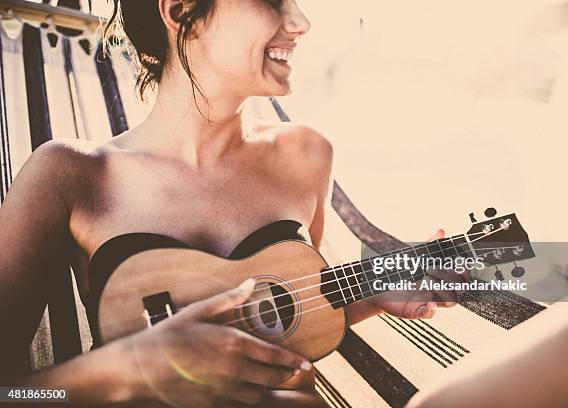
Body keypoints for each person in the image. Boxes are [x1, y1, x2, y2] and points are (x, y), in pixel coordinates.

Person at [0, 1, 462, 406]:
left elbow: (282, 322)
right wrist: (124, 372)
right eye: (272, 0)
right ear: (182, 12)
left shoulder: (307, 155)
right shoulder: (69, 174)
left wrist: (376, 291)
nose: (301, 22)